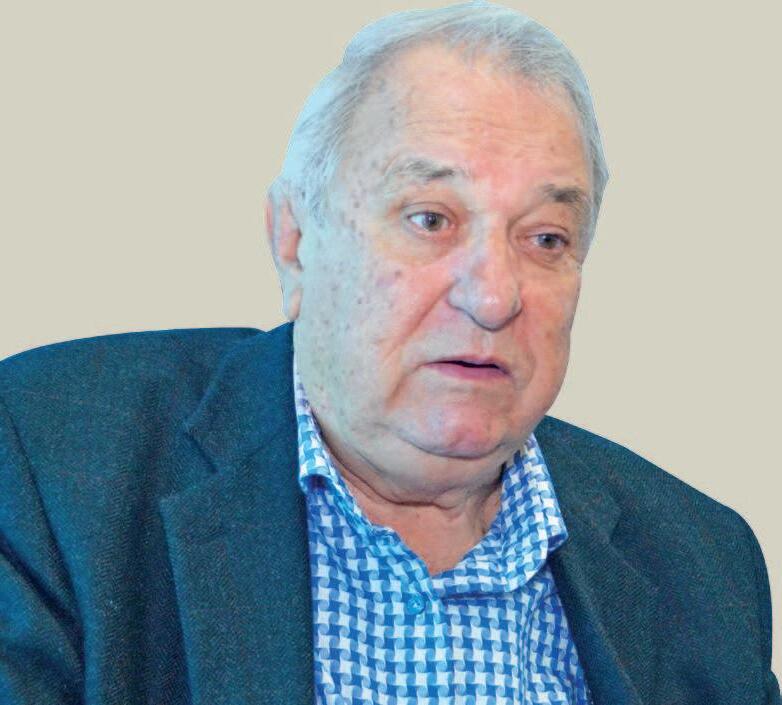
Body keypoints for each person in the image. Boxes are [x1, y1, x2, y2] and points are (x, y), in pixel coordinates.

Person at [0, 2, 778, 704]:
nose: (493, 295)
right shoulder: (54, 462)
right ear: (295, 242)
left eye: (545, 238)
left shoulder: (703, 560)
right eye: (431, 219)